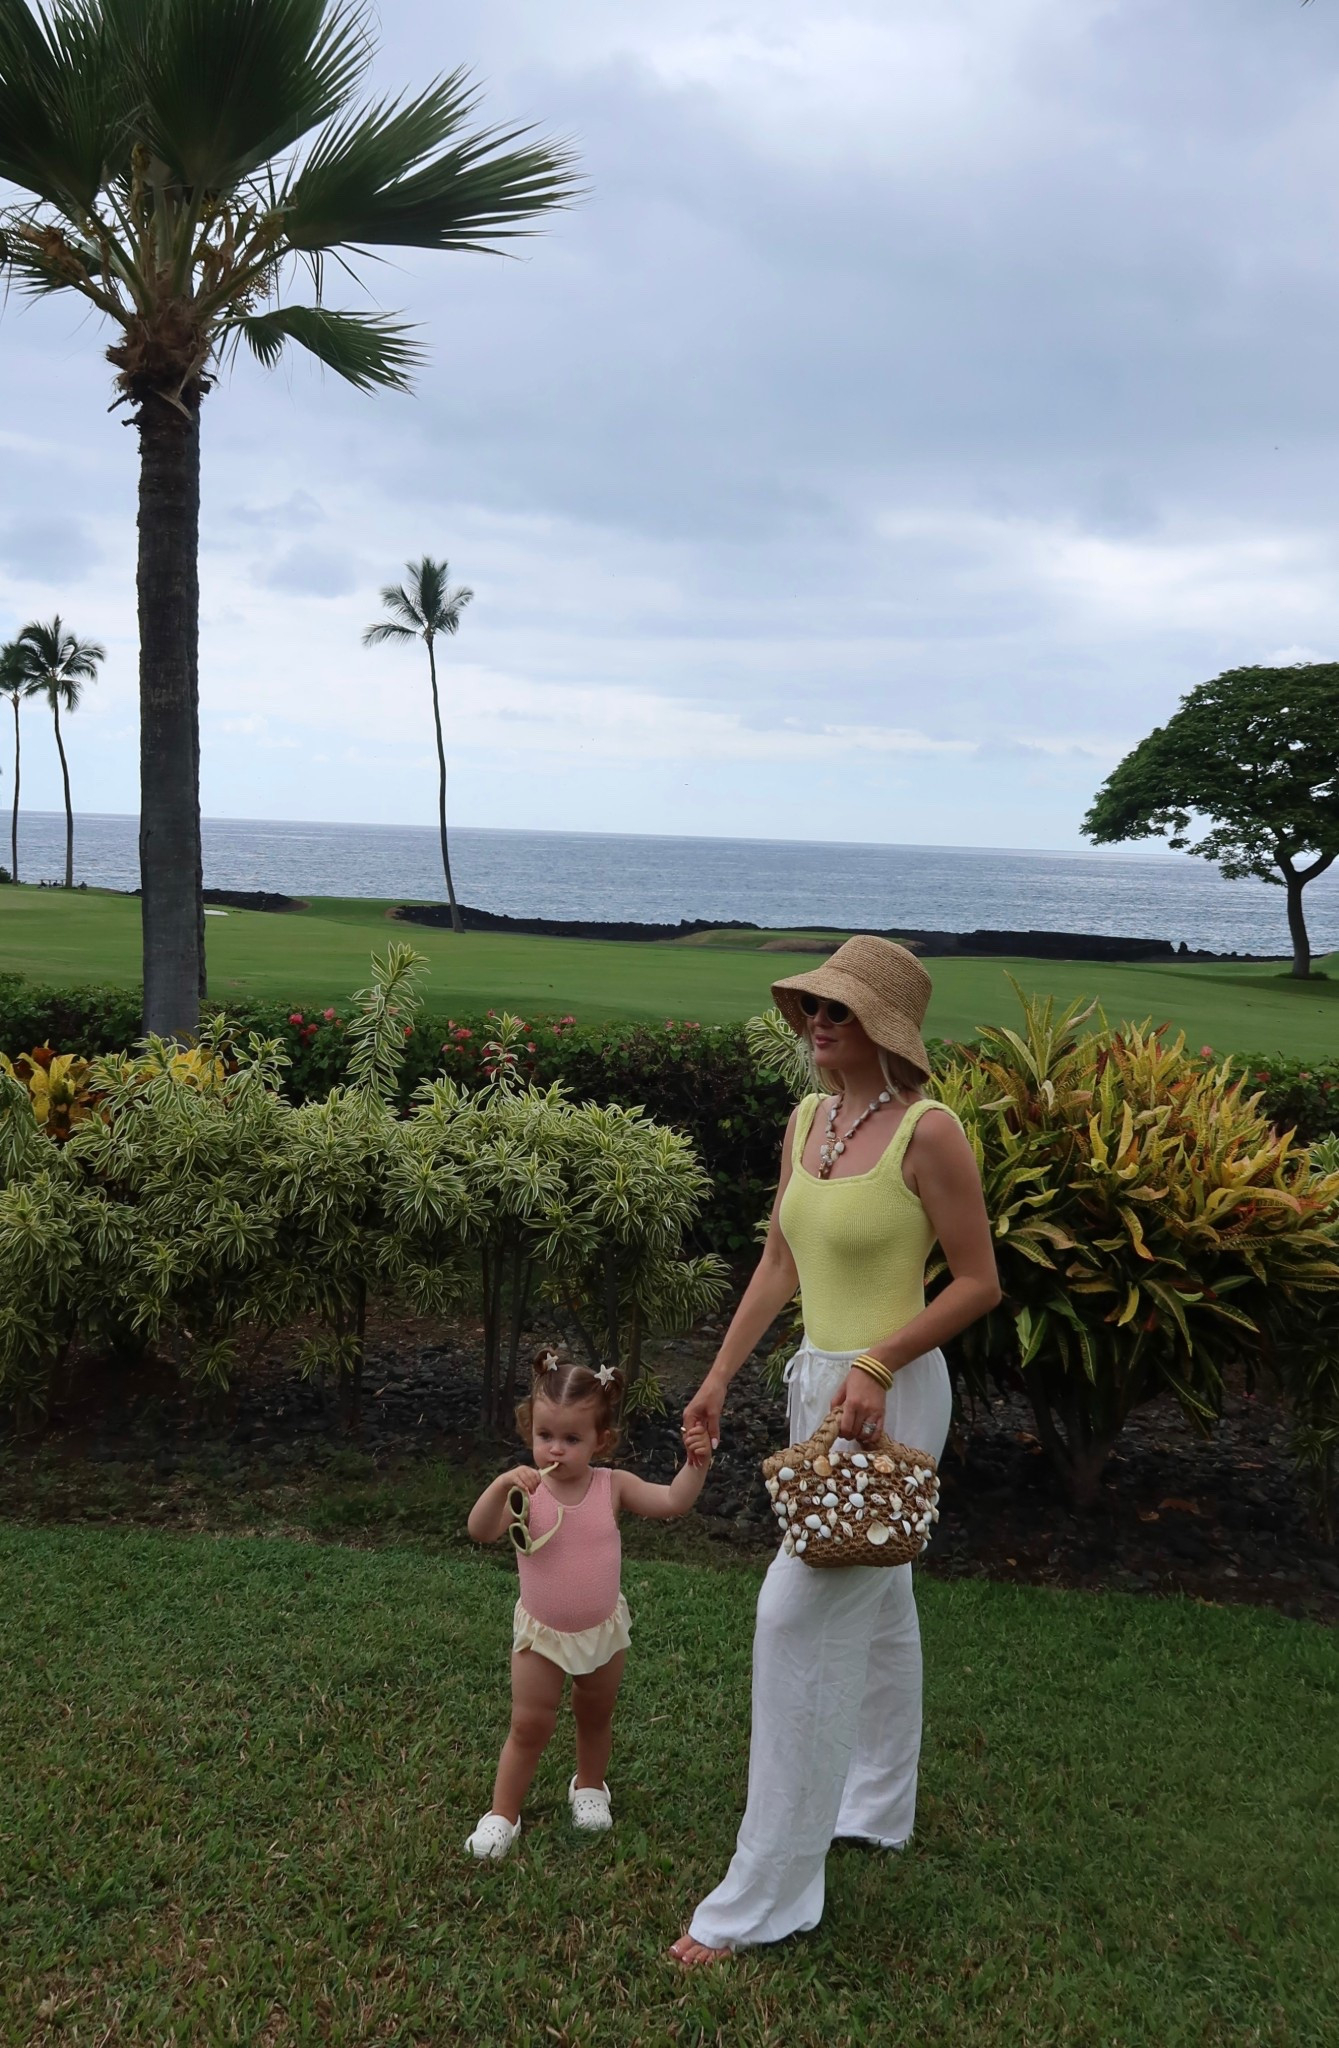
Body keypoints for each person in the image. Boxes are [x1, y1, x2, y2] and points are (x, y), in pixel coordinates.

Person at [671, 934, 1000, 1962]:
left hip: (889, 1394)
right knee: (879, 1590)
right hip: (818, 1385)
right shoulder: (806, 1121)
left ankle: (766, 1893)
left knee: (794, 1616)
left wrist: (879, 1361)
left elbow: (978, 1281)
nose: (816, 1022)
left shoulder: (929, 1133)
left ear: (884, 1028)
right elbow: (779, 1260)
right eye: (811, 1006)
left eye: (838, 1011)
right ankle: (877, 1803)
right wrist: (718, 1377)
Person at [465, 1345, 713, 1859]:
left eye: (572, 1439)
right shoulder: (525, 1492)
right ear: (530, 1431)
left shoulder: (612, 1486)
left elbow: (672, 1501)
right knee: (528, 1725)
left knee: (595, 1715)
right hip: (542, 1636)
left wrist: (697, 1465)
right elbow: (481, 1531)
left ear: (601, 1441)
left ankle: (590, 1787)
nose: (555, 1450)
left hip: (601, 1630)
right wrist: (501, 1484)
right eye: (545, 1436)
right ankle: (503, 1814)